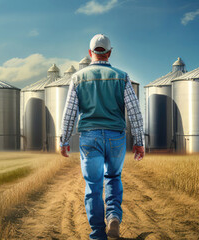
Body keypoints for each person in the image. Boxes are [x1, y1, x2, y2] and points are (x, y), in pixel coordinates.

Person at [59, 34, 145, 240]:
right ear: (109, 52)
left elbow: (69, 112)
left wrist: (63, 140)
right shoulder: (122, 76)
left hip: (90, 138)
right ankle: (113, 216)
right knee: (113, 177)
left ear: (90, 53)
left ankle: (98, 234)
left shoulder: (78, 78)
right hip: (116, 136)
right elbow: (134, 112)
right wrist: (140, 142)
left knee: (93, 185)